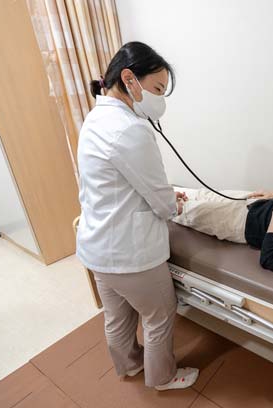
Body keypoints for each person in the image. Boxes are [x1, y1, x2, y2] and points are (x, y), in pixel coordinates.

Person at [76, 41, 198, 391]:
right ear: (129, 79)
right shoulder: (130, 129)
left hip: (96, 248)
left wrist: (163, 196)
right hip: (131, 256)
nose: (160, 100)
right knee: (160, 315)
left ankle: (129, 365)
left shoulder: (96, 118)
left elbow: (118, 181)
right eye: (157, 89)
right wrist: (173, 203)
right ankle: (163, 377)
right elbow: (162, 202)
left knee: (116, 316)